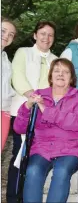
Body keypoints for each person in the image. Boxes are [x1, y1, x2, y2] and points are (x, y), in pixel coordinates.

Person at [13, 58, 78, 202]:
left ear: (72, 77)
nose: (60, 74)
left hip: (70, 149)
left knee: (61, 171)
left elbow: (77, 123)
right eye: (57, 71)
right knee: (33, 171)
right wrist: (27, 107)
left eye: (65, 72)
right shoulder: (39, 95)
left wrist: (46, 111)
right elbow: (19, 128)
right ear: (51, 75)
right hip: (42, 148)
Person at [7, 21, 58, 203]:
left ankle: (29, 196)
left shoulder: (55, 60)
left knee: (36, 155)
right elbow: (17, 75)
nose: (46, 38)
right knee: (19, 154)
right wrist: (32, 97)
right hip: (23, 110)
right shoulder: (23, 52)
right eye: (43, 33)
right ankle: (14, 197)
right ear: (35, 35)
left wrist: (43, 103)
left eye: (50, 35)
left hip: (44, 115)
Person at [1, 17, 17, 152]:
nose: (6, 36)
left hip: (4, 110)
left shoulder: (6, 60)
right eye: (3, 31)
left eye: (11, 34)